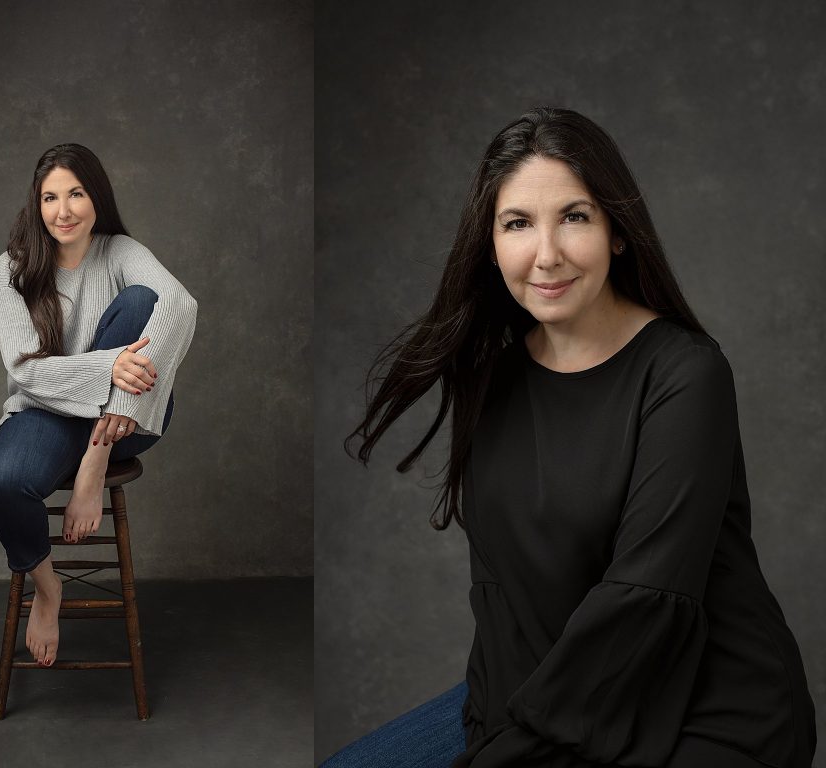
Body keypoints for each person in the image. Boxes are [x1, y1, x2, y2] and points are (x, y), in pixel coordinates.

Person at [329, 108, 816, 767]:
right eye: (518, 223)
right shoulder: (493, 374)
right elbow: (500, 596)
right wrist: (497, 732)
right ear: (491, 242)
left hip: (704, 707)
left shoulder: (685, 375)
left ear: (617, 232)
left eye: (575, 217)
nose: (547, 253)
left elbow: (644, 602)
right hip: (550, 692)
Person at [0, 143, 197, 668]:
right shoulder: (13, 268)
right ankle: (48, 589)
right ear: (37, 205)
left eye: (75, 193)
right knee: (1, 482)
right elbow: (24, 369)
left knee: (145, 301)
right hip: (47, 411)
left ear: (95, 195)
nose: (64, 210)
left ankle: (93, 459)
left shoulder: (119, 251)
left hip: (128, 419)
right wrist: (108, 366)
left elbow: (181, 305)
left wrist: (99, 445)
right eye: (50, 197)